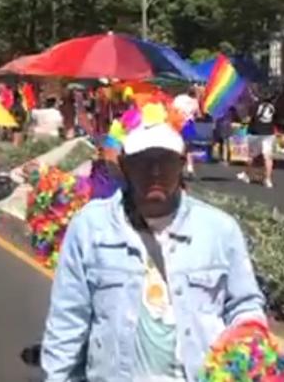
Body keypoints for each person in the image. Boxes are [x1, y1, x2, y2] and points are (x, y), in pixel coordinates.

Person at [42, 122, 267, 381]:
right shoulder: (91, 227)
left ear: (182, 165)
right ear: (125, 166)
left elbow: (244, 304)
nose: (156, 171)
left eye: (167, 161)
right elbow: (67, 321)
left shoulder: (219, 230)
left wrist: (248, 339)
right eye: (144, 161)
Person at [238, 94, 277, 188]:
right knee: (268, 157)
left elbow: (248, 118)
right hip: (268, 133)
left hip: (255, 132)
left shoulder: (255, 105)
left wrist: (242, 124)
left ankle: (246, 175)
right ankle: (268, 179)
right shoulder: (273, 107)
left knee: (251, 155)